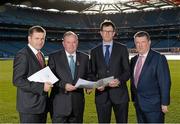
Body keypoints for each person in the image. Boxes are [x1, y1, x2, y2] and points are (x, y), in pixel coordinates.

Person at [89, 19, 130, 123]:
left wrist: (119, 80)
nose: (107, 33)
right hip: (101, 96)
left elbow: (127, 71)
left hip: (120, 95)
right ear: (101, 33)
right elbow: (91, 73)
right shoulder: (94, 51)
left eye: (110, 31)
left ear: (114, 33)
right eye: (105, 31)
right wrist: (97, 84)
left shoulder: (122, 49)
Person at [13, 25, 52, 123]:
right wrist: (41, 87)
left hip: (41, 105)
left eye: (42, 38)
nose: (40, 41)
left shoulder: (41, 54)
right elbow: (17, 80)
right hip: (29, 107)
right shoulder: (23, 55)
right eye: (37, 38)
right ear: (29, 38)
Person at [48, 31, 89, 123]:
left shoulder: (85, 57)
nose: (71, 45)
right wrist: (64, 85)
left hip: (77, 105)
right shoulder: (54, 57)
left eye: (74, 42)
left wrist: (89, 85)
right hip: (59, 104)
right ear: (63, 43)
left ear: (77, 42)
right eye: (68, 42)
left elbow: (89, 74)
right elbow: (51, 77)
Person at [130, 31, 171, 123]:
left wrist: (164, 103)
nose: (140, 45)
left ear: (149, 42)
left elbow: (165, 82)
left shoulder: (159, 58)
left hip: (154, 107)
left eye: (143, 42)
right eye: (137, 42)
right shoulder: (133, 60)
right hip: (138, 105)